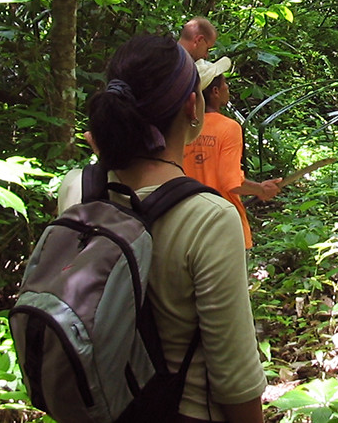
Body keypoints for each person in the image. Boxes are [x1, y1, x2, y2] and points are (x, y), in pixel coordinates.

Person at [56, 35, 266, 423]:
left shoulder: (76, 187)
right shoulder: (210, 218)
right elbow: (235, 382)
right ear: (193, 106)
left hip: (98, 404)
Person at [183, 58, 282, 249]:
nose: (228, 87)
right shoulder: (228, 128)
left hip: (187, 227)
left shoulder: (181, 127)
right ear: (215, 92)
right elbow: (230, 182)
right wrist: (261, 189)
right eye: (224, 84)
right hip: (224, 228)